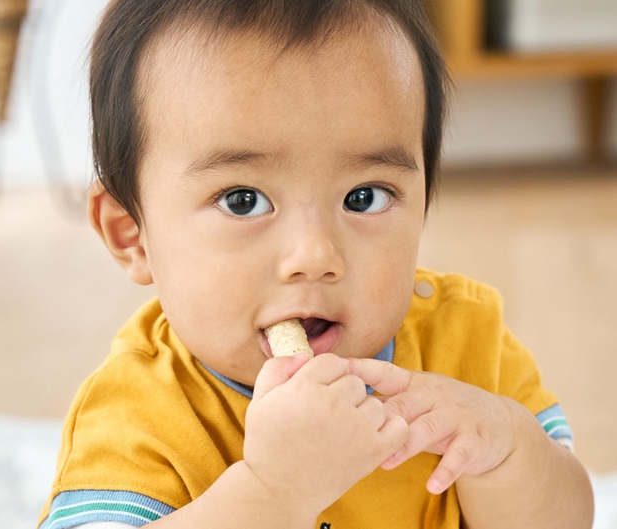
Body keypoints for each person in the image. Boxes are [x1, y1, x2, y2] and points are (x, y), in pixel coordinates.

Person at [38, 0, 595, 527]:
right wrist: (275, 491)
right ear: (131, 233)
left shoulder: (466, 344)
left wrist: (505, 449)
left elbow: (570, 516)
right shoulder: (138, 413)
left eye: (364, 196)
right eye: (242, 200)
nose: (314, 257)